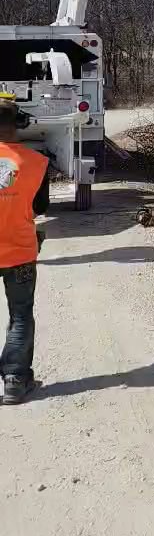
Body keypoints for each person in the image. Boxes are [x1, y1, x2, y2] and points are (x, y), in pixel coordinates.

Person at [0, 97, 49, 405]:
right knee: (20, 316)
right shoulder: (36, 162)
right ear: (19, 124)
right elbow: (41, 207)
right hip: (18, 251)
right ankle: (15, 379)